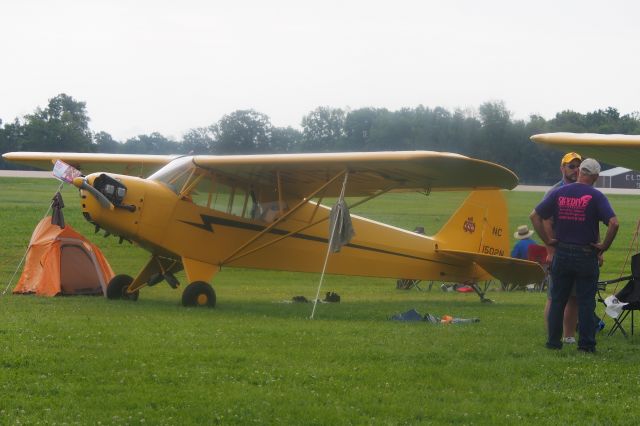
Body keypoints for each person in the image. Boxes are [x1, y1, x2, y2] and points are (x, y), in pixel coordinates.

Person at [530, 158, 619, 352]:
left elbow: (534, 216)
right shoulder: (596, 196)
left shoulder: (559, 192)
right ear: (595, 176)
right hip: (586, 255)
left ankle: (553, 343)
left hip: (561, 252)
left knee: (557, 300)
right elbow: (614, 223)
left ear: (579, 171)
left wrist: (547, 240)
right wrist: (603, 246)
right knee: (586, 302)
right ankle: (586, 345)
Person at [543, 152, 582, 344]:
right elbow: (544, 221)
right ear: (562, 168)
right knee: (555, 296)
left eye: (578, 166)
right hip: (559, 251)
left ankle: (568, 336)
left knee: (574, 297)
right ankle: (552, 334)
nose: (575, 170)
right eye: (571, 166)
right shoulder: (554, 191)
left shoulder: (585, 191)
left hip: (579, 251)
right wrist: (550, 251)